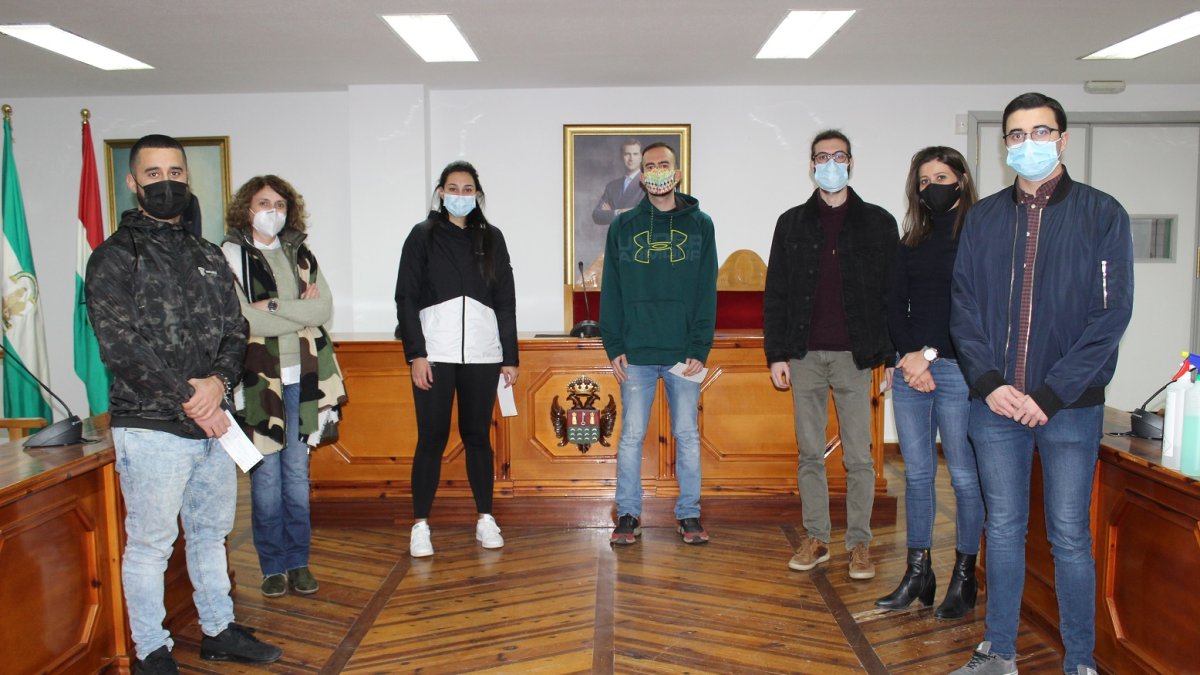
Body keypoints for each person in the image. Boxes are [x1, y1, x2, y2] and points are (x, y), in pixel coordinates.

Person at [949, 92, 1133, 675]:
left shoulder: (1102, 214)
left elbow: (1111, 317)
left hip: (1070, 409)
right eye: (1017, 135)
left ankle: (1079, 661)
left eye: (1040, 132)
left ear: (1063, 139)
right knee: (1002, 529)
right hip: (995, 405)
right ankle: (999, 651)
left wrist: (1049, 395)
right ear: (1005, 146)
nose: (1028, 143)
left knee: (1069, 536)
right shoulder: (981, 218)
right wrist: (989, 382)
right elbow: (964, 310)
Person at [85, 134, 282, 672]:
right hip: (150, 427)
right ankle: (152, 649)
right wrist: (191, 398)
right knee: (150, 545)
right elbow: (120, 345)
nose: (166, 183)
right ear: (133, 183)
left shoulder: (206, 255)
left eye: (176, 172)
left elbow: (234, 329)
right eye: (154, 174)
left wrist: (218, 382)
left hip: (215, 424)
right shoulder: (112, 258)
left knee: (210, 533)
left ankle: (218, 628)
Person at [763, 129, 898, 580]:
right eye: (822, 157)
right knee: (809, 454)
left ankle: (859, 544)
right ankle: (817, 537)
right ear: (811, 166)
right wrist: (776, 354)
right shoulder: (791, 223)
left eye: (838, 156)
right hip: (803, 354)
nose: (830, 163)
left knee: (860, 456)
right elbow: (776, 293)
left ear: (852, 163)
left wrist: (893, 357)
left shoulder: (878, 222)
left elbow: (892, 295)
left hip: (856, 357)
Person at [221, 175, 346, 599]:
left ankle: (299, 562)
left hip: (305, 381)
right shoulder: (231, 256)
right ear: (247, 209)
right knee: (265, 479)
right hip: (259, 383)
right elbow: (244, 319)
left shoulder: (301, 254)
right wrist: (300, 312)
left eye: (280, 203)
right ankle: (272, 566)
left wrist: (273, 305)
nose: (273, 211)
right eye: (263, 203)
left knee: (295, 477)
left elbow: (324, 308)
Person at [874, 147, 983, 619]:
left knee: (962, 476)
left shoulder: (979, 236)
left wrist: (930, 354)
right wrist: (907, 359)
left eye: (940, 176)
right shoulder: (911, 239)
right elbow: (894, 304)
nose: (931, 186)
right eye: (922, 180)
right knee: (917, 475)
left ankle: (965, 574)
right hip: (911, 369)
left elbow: (973, 309)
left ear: (961, 180)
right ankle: (918, 572)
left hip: (958, 367)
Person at [394, 160, 518, 558]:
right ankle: (420, 524)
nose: (460, 196)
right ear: (441, 192)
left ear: (477, 195)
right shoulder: (422, 236)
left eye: (467, 189)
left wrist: (509, 356)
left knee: (478, 436)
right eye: (453, 188)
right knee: (431, 438)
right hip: (436, 355)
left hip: (483, 356)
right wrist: (416, 353)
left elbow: (505, 301)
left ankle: (485, 517)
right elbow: (406, 298)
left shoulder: (492, 238)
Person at [599, 142, 718, 546]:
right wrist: (613, 345)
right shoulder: (623, 226)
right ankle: (628, 514)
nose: (656, 171)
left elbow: (706, 291)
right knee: (631, 436)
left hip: (684, 354)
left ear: (677, 173)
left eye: (663, 164)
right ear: (642, 176)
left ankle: (689, 515)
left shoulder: (701, 224)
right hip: (636, 354)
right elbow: (611, 291)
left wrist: (700, 349)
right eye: (649, 166)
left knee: (686, 435)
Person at [591, 138, 645, 226]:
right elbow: (597, 215)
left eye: (635, 154)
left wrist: (611, 212)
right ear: (621, 157)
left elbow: (644, 215)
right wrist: (618, 212)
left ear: (641, 157)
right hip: (616, 237)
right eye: (627, 154)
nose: (631, 158)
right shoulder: (611, 186)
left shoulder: (650, 184)